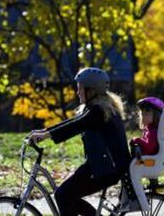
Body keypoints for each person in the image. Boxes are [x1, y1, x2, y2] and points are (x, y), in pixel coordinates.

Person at [28, 67, 133, 216]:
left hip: (105, 169)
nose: (77, 92)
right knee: (66, 196)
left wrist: (46, 135)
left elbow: (75, 126)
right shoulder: (99, 108)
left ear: (91, 91)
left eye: (80, 88)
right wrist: (45, 132)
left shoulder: (99, 111)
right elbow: (74, 122)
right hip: (102, 166)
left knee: (63, 195)